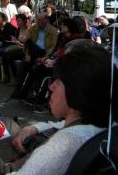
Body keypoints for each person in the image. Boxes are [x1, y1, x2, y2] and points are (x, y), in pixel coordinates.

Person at [9, 39, 116, 175]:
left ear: (77, 91)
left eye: (58, 82)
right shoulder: (103, 126)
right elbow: (62, 125)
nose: (51, 86)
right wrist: (34, 127)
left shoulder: (64, 143)